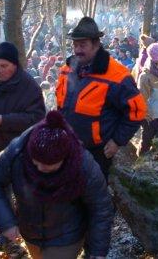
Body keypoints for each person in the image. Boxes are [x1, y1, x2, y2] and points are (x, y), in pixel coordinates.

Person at [0, 110, 113, 259]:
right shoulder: (18, 150)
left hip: (66, 237)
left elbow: (101, 207)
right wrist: (6, 222)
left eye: (48, 166)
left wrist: (97, 252)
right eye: (36, 163)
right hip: (30, 232)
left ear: (64, 158)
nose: (40, 169)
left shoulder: (83, 164)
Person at [56, 17, 146, 177]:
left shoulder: (117, 76)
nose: (77, 50)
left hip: (97, 153)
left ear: (96, 44)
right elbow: (61, 106)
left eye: (82, 45)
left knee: (94, 196)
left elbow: (137, 111)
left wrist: (117, 141)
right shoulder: (66, 70)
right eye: (75, 45)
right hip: (68, 146)